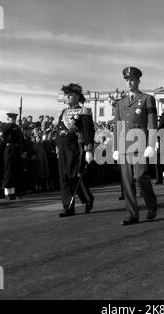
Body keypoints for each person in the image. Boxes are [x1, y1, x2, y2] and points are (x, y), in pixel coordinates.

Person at [113, 66, 158, 225]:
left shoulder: (147, 99)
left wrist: (151, 144)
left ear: (138, 80)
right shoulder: (120, 103)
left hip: (140, 143)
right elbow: (117, 126)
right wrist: (116, 148)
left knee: (140, 176)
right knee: (127, 181)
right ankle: (132, 214)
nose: (129, 82)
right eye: (127, 80)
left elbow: (152, 123)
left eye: (132, 79)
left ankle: (151, 204)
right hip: (125, 144)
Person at [56, 83, 95, 217]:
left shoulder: (84, 111)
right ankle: (68, 206)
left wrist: (89, 149)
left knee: (74, 176)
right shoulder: (63, 112)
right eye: (67, 95)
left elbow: (88, 131)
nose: (68, 98)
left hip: (74, 147)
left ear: (78, 97)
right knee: (64, 178)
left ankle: (88, 199)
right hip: (62, 147)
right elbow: (58, 131)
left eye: (71, 95)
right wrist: (57, 146)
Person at [1, 113, 26, 200]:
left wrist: (23, 151)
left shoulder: (18, 128)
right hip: (9, 150)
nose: (14, 119)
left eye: (15, 118)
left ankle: (13, 192)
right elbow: (4, 132)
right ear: (8, 118)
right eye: (12, 118)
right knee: (8, 171)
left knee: (16, 171)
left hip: (17, 150)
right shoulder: (5, 126)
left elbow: (22, 140)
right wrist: (12, 125)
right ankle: (7, 192)